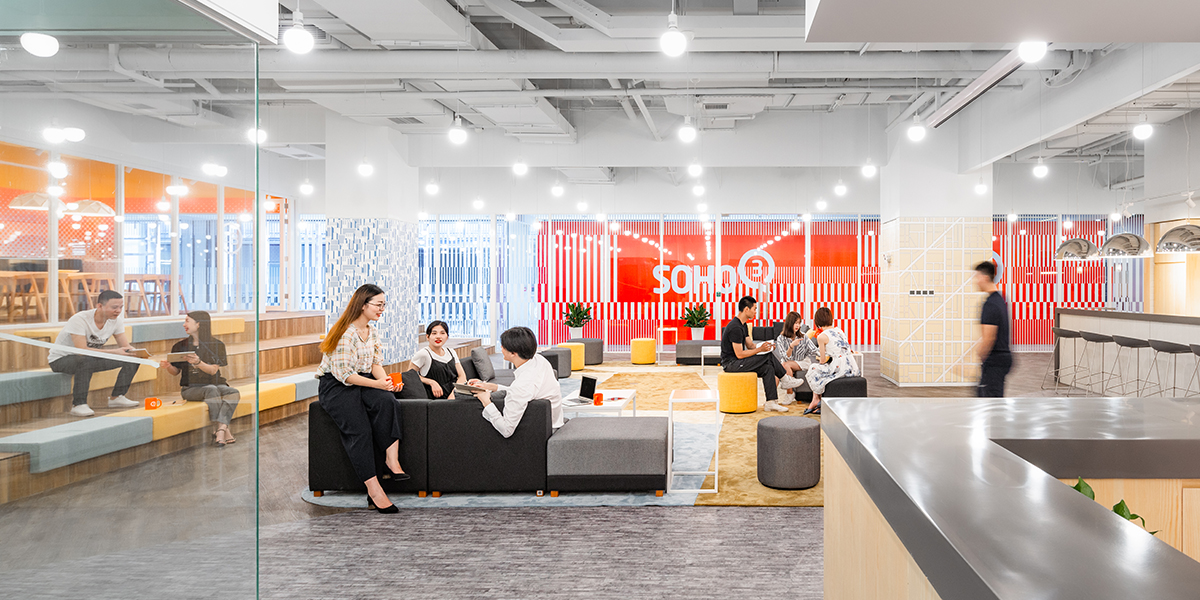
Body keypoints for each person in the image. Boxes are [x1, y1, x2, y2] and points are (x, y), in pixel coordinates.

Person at [317, 283, 409, 514]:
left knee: (388, 401)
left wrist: (386, 383)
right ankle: (375, 491)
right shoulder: (345, 333)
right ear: (362, 305)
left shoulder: (372, 331)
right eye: (378, 305)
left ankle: (392, 461)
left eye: (384, 305)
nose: (382, 309)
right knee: (360, 430)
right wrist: (377, 384)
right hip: (337, 385)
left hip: (363, 380)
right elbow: (345, 375)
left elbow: (375, 365)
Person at [48, 290, 143, 417]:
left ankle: (117, 397)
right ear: (99, 306)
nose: (118, 311)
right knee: (86, 360)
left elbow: (125, 346)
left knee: (133, 358)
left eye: (121, 307)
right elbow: (81, 350)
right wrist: (114, 352)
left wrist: (137, 352)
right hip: (61, 360)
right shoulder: (80, 319)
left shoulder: (116, 321)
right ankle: (79, 404)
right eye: (114, 307)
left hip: (89, 358)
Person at [160, 311, 240, 446]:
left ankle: (221, 428)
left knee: (233, 392)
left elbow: (213, 370)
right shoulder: (179, 346)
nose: (184, 324)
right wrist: (168, 366)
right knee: (211, 390)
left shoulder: (217, 345)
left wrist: (198, 362)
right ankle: (221, 430)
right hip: (190, 389)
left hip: (214, 384)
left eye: (187, 321)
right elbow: (175, 372)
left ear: (198, 324)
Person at [468, 326, 563, 438]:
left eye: (503, 346)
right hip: (553, 421)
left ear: (513, 353)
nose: (501, 348)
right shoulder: (540, 360)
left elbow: (506, 430)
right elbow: (525, 392)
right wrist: (492, 386)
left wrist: (486, 401)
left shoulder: (523, 383)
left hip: (540, 432)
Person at [721, 296, 803, 413]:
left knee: (768, 367)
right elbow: (740, 354)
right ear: (746, 309)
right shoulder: (735, 327)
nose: (756, 312)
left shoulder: (743, 325)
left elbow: (750, 345)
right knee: (767, 357)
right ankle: (785, 378)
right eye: (754, 309)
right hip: (731, 364)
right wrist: (760, 350)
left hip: (738, 362)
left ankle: (771, 402)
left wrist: (766, 346)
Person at [803, 307, 862, 415]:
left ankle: (816, 399)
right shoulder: (840, 331)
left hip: (840, 368)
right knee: (820, 371)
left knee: (813, 368)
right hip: (852, 366)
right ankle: (817, 401)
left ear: (817, 321)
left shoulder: (821, 336)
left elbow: (822, 360)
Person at [972, 261, 1013, 397]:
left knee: (990, 401)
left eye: (977, 277)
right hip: (1001, 359)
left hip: (995, 361)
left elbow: (989, 338)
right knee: (991, 398)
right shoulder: (1000, 299)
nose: (975, 281)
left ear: (985, 277)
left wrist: (981, 354)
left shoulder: (990, 304)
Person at [409, 320, 466, 399]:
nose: (438, 336)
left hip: (455, 396)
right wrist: (431, 382)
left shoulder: (451, 352)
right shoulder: (423, 354)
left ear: (447, 337)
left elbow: (462, 376)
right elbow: (410, 375)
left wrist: (454, 393)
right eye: (434, 333)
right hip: (436, 400)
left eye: (442, 333)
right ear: (427, 337)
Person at [774, 310, 819, 402]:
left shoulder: (803, 336)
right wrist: (791, 346)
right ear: (789, 323)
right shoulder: (781, 338)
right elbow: (784, 357)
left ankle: (790, 393)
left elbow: (814, 350)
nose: (797, 326)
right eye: (795, 323)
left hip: (802, 362)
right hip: (787, 362)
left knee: (785, 365)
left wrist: (827, 354)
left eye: (799, 323)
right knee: (776, 373)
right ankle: (772, 399)